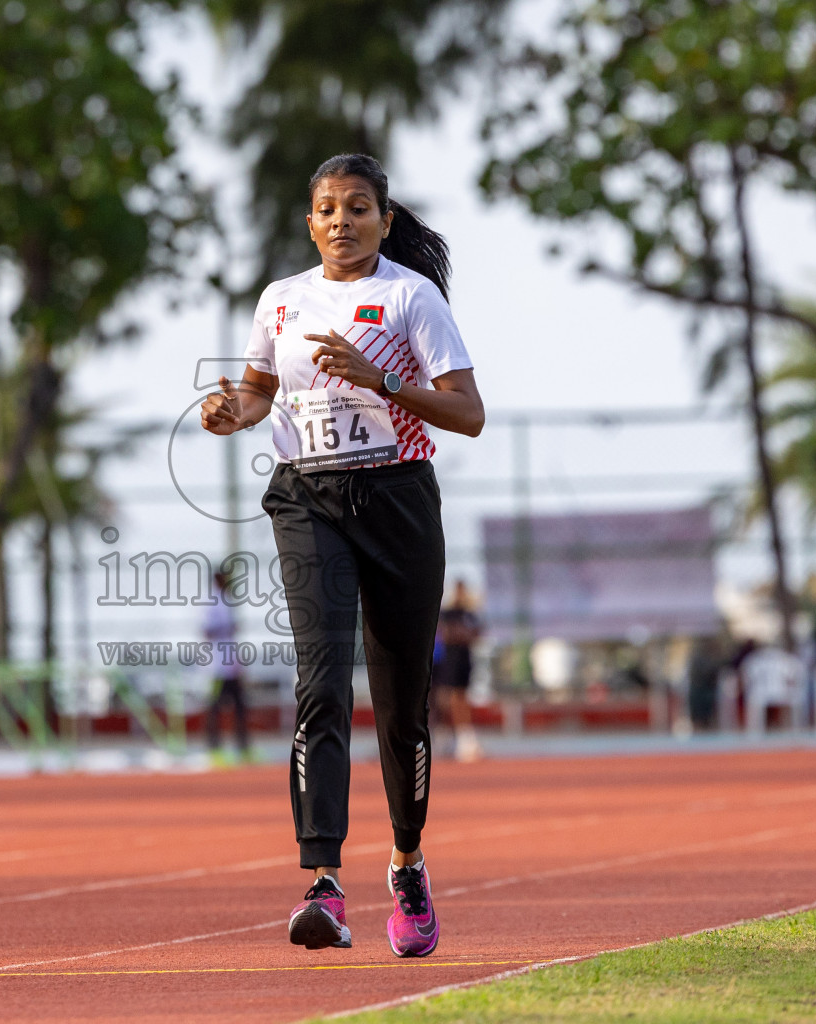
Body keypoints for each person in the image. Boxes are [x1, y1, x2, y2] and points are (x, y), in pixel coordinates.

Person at [200, 153, 483, 958]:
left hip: (397, 500)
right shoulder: (281, 301)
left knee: (400, 707)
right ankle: (323, 884)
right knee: (320, 682)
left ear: (385, 221)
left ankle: (406, 862)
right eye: (326, 208)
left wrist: (381, 382)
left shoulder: (409, 297)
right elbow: (258, 391)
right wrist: (233, 412)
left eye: (358, 208)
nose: (340, 221)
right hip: (308, 499)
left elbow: (469, 412)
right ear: (309, 219)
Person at [203, 570, 251, 762]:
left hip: (231, 666)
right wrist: (226, 628)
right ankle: (214, 749)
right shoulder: (211, 602)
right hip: (217, 668)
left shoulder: (227, 601)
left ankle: (243, 748)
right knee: (214, 708)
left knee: (240, 707)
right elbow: (206, 631)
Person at [436, 580, 483, 762]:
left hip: (465, 661)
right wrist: (462, 634)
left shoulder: (469, 613)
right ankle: (450, 736)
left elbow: (477, 633)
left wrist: (463, 634)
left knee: (460, 697)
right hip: (450, 661)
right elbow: (446, 633)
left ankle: (463, 738)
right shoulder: (448, 613)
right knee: (447, 699)